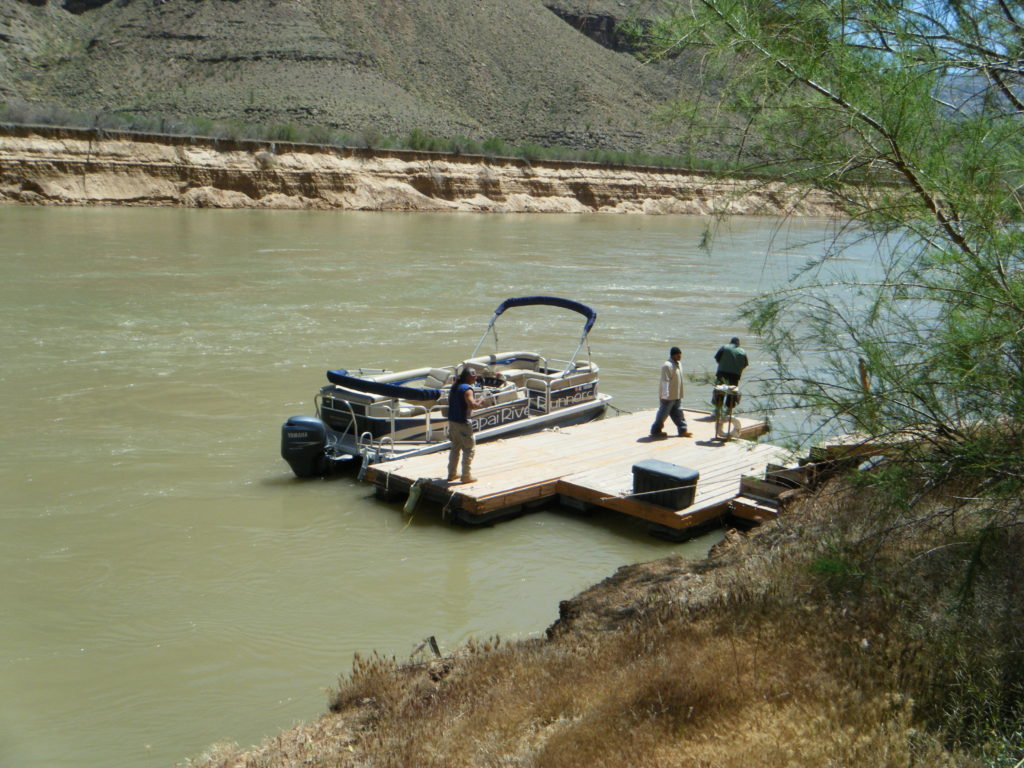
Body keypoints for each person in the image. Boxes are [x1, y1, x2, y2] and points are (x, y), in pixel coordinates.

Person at [447, 367, 486, 483]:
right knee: (469, 449)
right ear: (467, 377)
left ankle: (451, 474)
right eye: (473, 375)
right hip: (463, 423)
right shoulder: (467, 389)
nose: (475, 377)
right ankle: (466, 476)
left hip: (453, 422)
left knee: (455, 448)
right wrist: (481, 401)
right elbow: (472, 405)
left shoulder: (454, 387)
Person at [651, 346, 692, 438]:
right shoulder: (667, 366)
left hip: (677, 395)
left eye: (680, 355)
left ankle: (682, 430)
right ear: (673, 355)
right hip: (668, 396)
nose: (680, 357)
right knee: (663, 414)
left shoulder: (679, 364)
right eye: (678, 355)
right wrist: (665, 395)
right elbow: (665, 381)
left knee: (679, 413)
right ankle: (655, 430)